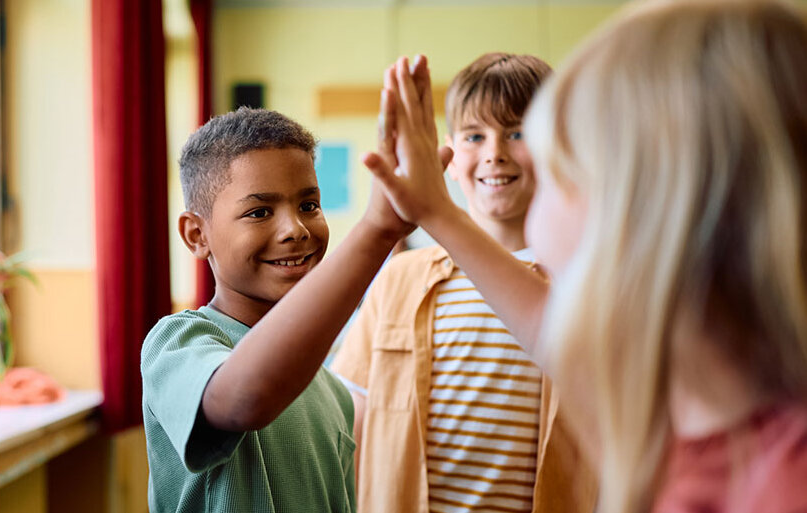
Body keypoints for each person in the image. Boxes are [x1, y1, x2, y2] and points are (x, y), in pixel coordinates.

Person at [366, 1, 807, 511]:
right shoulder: (692, 429)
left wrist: (438, 214)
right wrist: (435, 213)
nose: (502, 161)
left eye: (562, 170)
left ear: (658, 215)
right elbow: (552, 333)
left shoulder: (778, 481)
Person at [331, 53, 596, 513]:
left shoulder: (586, 289)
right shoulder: (399, 278)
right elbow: (347, 422)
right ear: (450, 158)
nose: (494, 152)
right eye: (475, 135)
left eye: (517, 133)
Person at [142, 107, 434, 512]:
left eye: (309, 205)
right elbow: (244, 400)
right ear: (197, 235)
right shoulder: (177, 343)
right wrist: (378, 230)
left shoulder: (332, 391)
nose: (295, 228)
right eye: (259, 212)